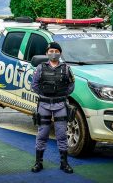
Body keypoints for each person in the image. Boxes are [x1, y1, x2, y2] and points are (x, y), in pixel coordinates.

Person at [31, 42, 75, 174]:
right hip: (44, 104)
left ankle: (64, 163)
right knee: (42, 134)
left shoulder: (66, 68)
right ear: (46, 53)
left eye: (56, 51)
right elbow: (35, 84)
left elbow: (71, 85)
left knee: (61, 135)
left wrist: (61, 95)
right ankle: (38, 162)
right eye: (50, 51)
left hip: (60, 104)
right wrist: (45, 94)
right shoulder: (40, 68)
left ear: (60, 53)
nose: (53, 53)